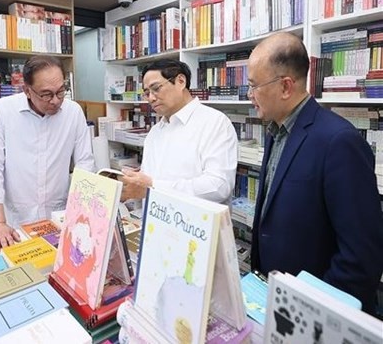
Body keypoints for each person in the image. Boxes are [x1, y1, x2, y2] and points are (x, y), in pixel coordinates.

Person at [247, 32, 383, 314]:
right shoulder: (276, 131)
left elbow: (361, 256)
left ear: (286, 86)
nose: (250, 96)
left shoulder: (338, 142)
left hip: (314, 314)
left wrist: (310, 311)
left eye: (254, 86)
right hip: (274, 299)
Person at [0, 55, 95, 251]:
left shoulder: (73, 112)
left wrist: (81, 214)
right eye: (46, 94)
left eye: (61, 91)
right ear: (27, 90)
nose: (56, 101)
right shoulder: (3, 111)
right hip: (16, 221)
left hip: (61, 217)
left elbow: (85, 164)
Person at [119, 59, 237, 205]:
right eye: (146, 93)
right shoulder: (155, 132)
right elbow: (148, 182)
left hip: (195, 224)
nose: (151, 98)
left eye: (156, 88)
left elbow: (218, 186)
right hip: (153, 222)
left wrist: (153, 186)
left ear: (180, 81)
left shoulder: (215, 123)